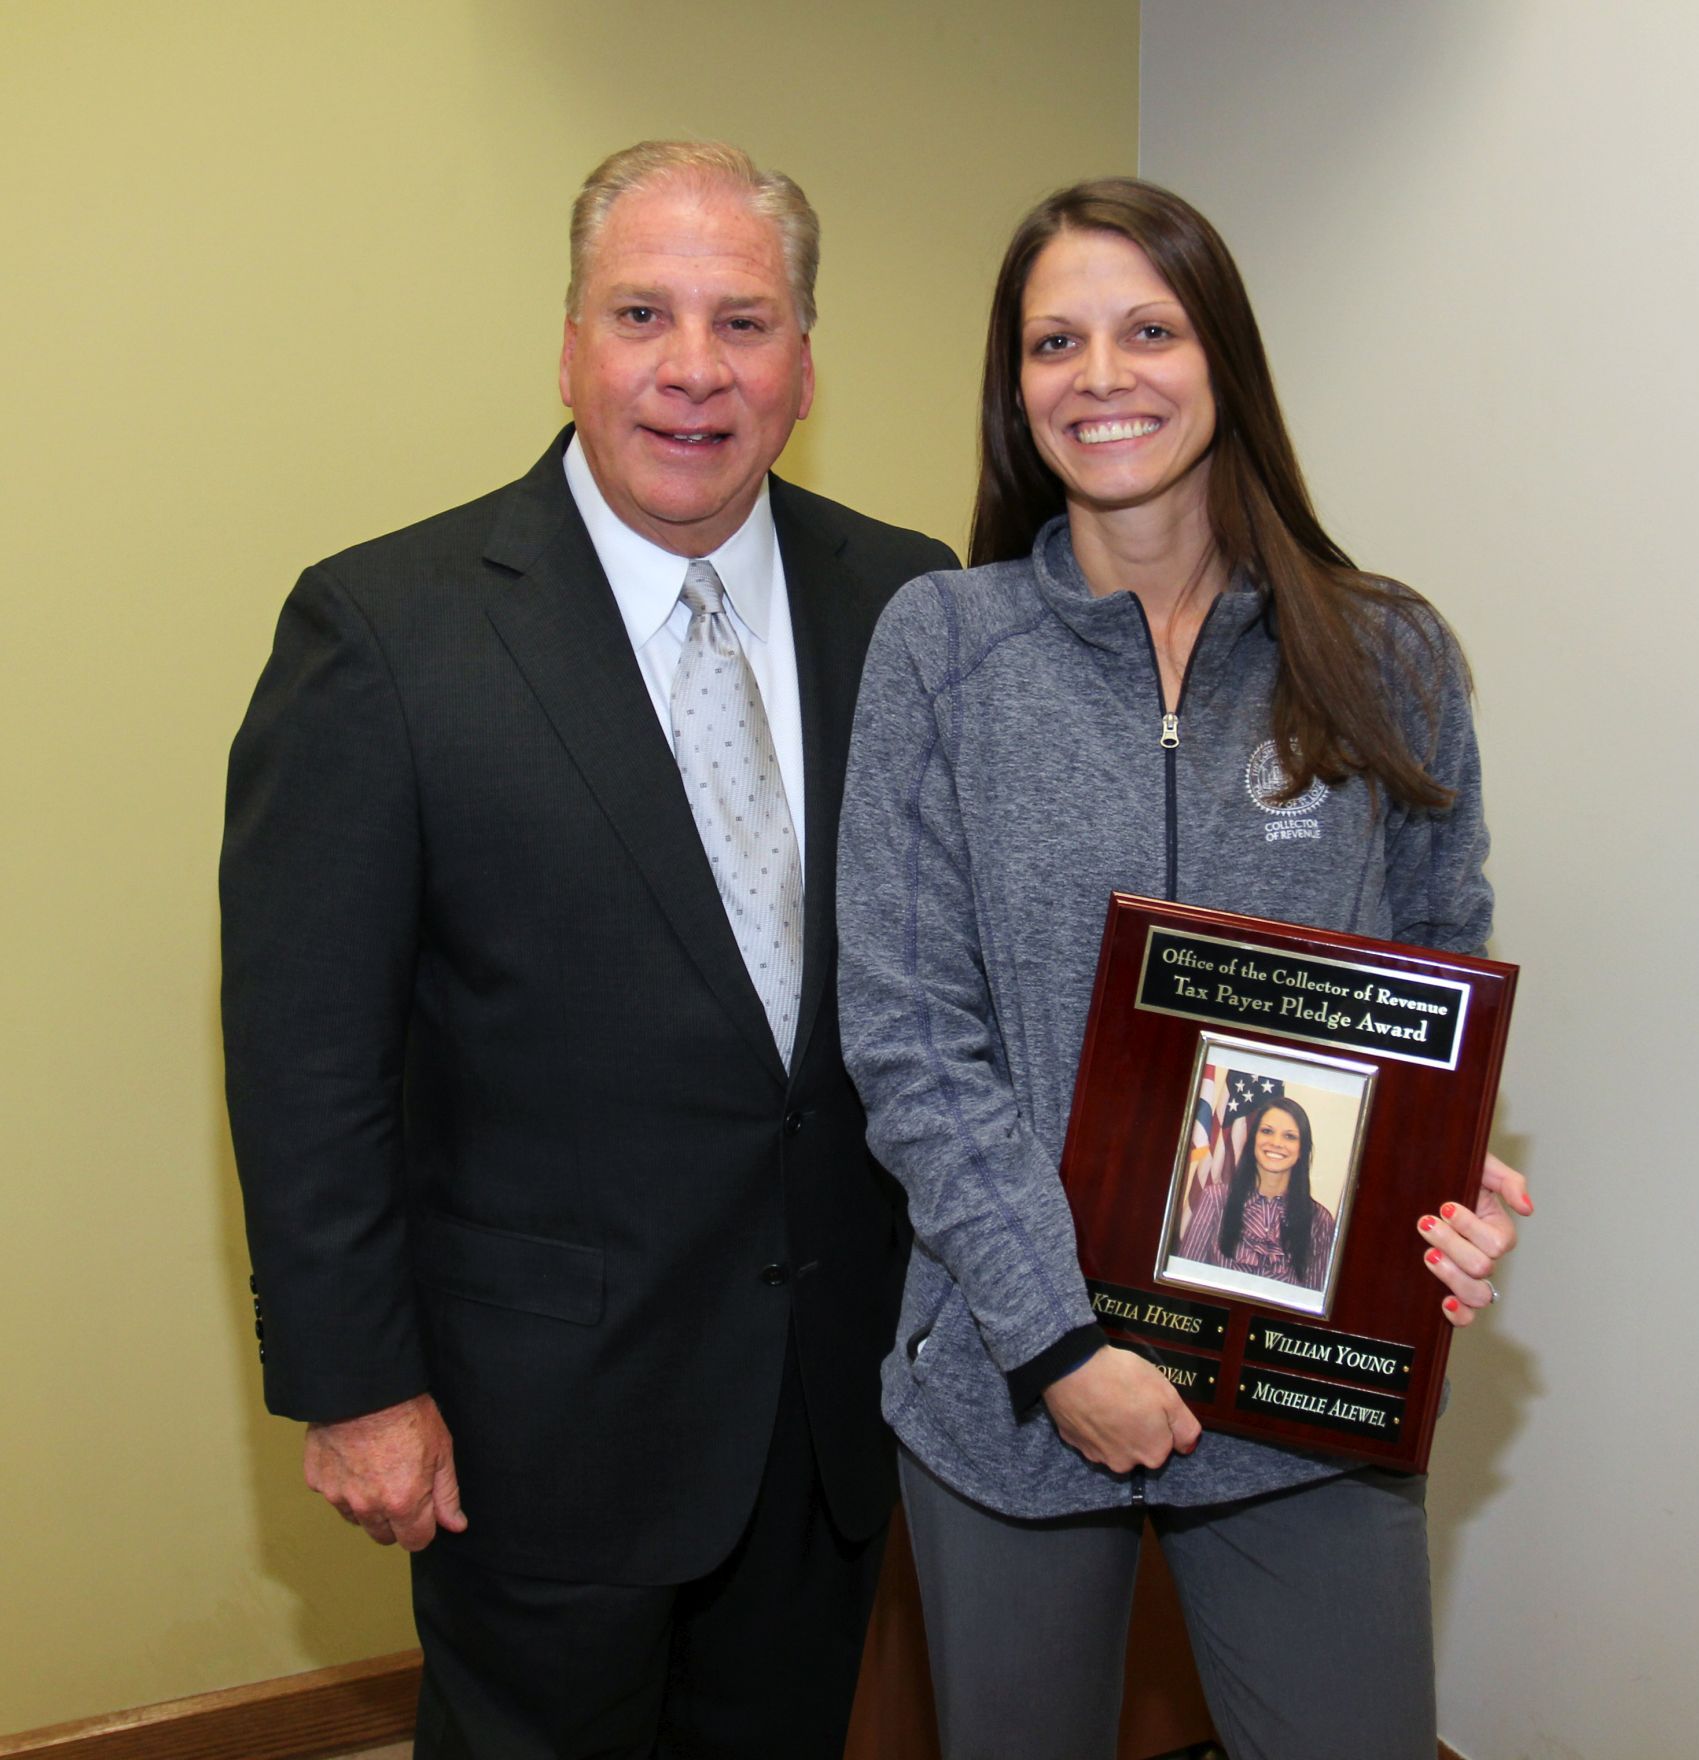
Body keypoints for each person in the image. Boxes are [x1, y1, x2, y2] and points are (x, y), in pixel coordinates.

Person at [221, 140, 955, 1760]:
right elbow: (306, 1058)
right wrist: (355, 1385)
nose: (692, 370)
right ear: (567, 342)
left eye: (743, 322)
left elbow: (965, 981)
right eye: (641, 313)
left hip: (823, 1416)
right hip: (531, 1424)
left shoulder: (905, 600)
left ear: (805, 361)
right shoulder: (385, 632)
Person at [836, 177, 1534, 1760]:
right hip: (1012, 1387)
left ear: (1221, 357)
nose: (1101, 378)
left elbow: (1428, 973)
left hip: (1299, 1389)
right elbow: (908, 1033)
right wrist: (1058, 1341)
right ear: (1012, 390)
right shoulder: (941, 648)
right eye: (1052, 342)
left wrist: (1441, 1187)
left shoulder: (1384, 654)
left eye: (1146, 330)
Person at [1178, 1096, 1335, 1290]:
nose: (1276, 1143)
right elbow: (1184, 1284)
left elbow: (1312, 1306)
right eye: (1267, 1131)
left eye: (1290, 1136)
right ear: (1253, 1139)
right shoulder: (1216, 1199)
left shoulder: (1320, 1221)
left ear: (1302, 1149)